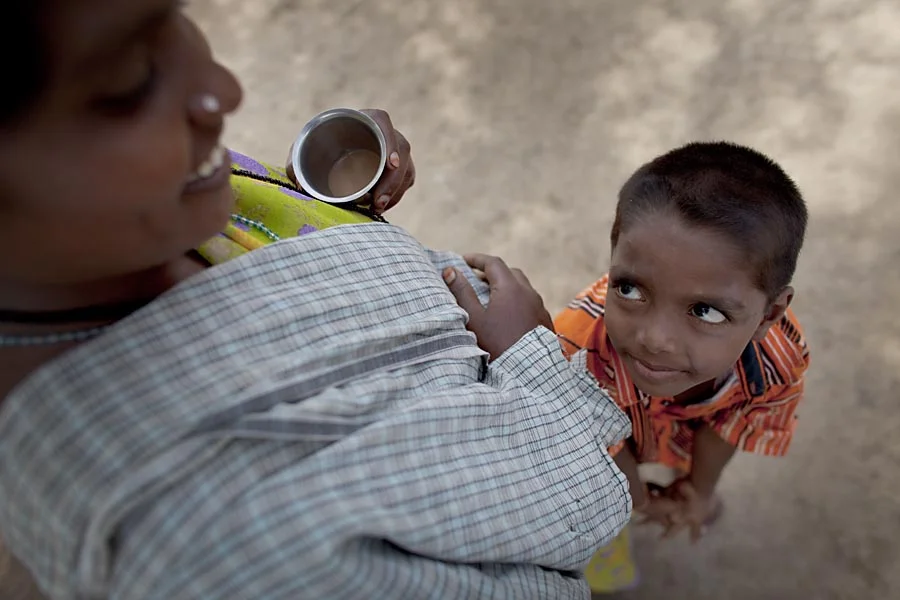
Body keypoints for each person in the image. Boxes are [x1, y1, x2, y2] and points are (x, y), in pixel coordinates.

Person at [0, 1, 632, 599]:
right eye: (132, 77)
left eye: (172, 19)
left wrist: (322, 199)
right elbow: (564, 521)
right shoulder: (218, 552)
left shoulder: (140, 225)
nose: (225, 89)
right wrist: (532, 363)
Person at [554, 141, 810, 592]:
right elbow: (591, 449)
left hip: (675, 433)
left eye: (705, 312)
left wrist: (698, 491)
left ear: (768, 316)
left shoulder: (776, 360)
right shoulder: (571, 351)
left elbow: (732, 424)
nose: (655, 338)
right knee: (594, 517)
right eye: (630, 288)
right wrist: (640, 501)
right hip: (597, 460)